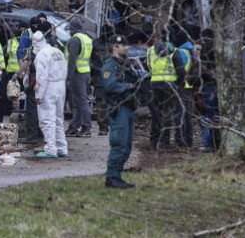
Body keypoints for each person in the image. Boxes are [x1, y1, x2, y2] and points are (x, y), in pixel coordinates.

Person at [102, 34, 140, 188]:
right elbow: (109, 86)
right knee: (119, 144)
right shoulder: (109, 66)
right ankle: (112, 177)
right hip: (118, 108)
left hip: (128, 107)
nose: (127, 48)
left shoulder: (125, 65)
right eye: (124, 45)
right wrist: (127, 87)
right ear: (115, 47)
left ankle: (117, 176)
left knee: (127, 145)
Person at [32, 31, 68, 158]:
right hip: (60, 85)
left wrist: (39, 95)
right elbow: (65, 70)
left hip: (49, 87)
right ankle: (62, 148)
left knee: (47, 119)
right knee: (58, 119)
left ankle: (50, 149)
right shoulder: (57, 51)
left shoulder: (41, 55)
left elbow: (42, 77)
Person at [146, 35, 186, 150]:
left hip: (154, 85)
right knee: (167, 114)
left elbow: (148, 67)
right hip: (170, 86)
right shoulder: (174, 51)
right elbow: (181, 71)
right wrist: (179, 84)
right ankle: (165, 141)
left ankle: (153, 140)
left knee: (156, 114)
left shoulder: (150, 51)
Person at [16, 15, 47, 145]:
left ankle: (32, 135)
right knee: (43, 108)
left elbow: (28, 60)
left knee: (33, 107)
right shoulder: (50, 46)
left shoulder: (37, 50)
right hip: (47, 80)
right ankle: (41, 134)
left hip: (37, 78)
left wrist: (19, 72)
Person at [65, 18, 94, 137]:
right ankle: (75, 126)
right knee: (77, 101)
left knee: (81, 101)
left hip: (77, 73)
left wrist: (68, 77)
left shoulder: (75, 40)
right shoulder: (87, 38)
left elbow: (72, 60)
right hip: (85, 71)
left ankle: (86, 127)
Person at [199, 28, 221, 152]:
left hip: (207, 86)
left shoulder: (205, 51)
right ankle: (216, 142)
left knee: (208, 114)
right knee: (217, 115)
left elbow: (202, 70)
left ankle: (207, 143)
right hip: (217, 85)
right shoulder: (218, 48)